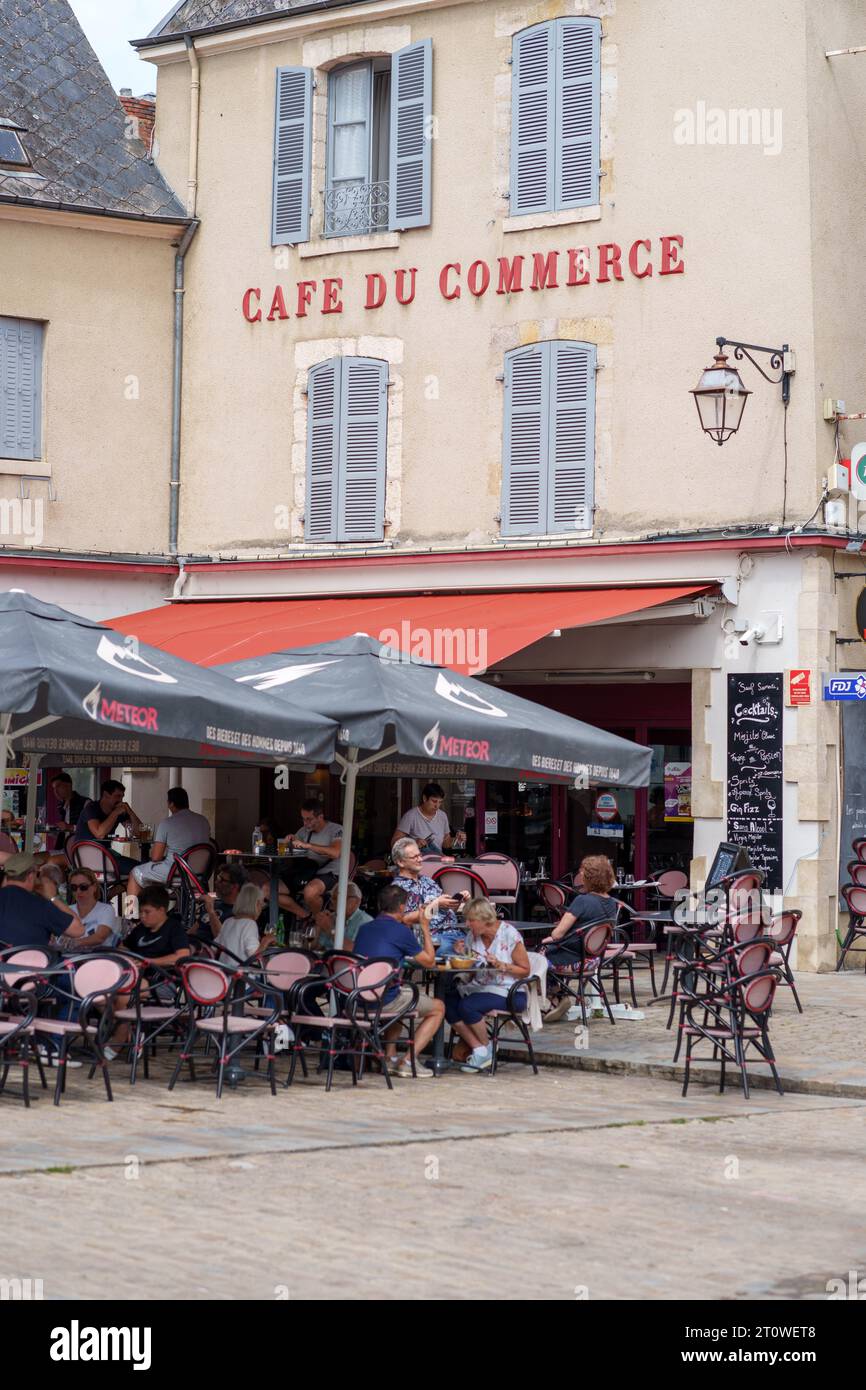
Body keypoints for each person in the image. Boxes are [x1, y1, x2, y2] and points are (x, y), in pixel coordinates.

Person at [354, 883, 444, 1079]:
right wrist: (425, 927)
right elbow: (429, 961)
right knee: (438, 1007)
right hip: (384, 1000)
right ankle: (408, 1061)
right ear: (403, 907)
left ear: (379, 904)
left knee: (402, 994)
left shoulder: (364, 928)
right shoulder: (401, 931)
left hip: (358, 999)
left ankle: (390, 1057)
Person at [107, 884, 192, 1059]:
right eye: (141, 912)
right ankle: (132, 1032)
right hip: (135, 977)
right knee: (103, 996)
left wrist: (149, 962)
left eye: (147, 912)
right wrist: (127, 957)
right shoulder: (141, 930)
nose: (142, 917)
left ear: (162, 910)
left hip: (163, 980)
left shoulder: (173, 929)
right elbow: (123, 946)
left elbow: (182, 956)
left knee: (124, 995)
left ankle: (119, 1040)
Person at [448, 898, 529, 1073]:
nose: (467, 924)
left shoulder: (509, 934)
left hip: (511, 992)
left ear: (485, 919)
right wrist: (462, 955)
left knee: (468, 1006)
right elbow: (473, 971)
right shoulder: (472, 937)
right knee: (446, 1001)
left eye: (471, 920)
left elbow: (525, 971)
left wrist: (502, 965)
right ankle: (481, 1048)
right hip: (481, 987)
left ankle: (484, 1050)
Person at [126, 787, 211, 899]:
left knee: (135, 873)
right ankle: (173, 910)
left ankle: (131, 914)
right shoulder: (203, 820)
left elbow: (156, 857)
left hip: (175, 871)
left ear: (170, 804)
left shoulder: (167, 823)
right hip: (199, 872)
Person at [390, 836, 467, 958]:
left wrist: (457, 902)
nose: (420, 859)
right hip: (430, 937)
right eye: (414, 857)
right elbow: (405, 919)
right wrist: (436, 904)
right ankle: (457, 976)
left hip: (455, 931)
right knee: (453, 954)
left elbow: (447, 910)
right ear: (400, 862)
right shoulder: (397, 888)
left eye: (420, 855)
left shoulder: (427, 880)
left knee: (480, 947)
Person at [542, 855, 618, 961]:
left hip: (571, 958)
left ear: (588, 878)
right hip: (594, 959)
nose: (580, 875)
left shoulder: (582, 900)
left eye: (582, 873)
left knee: (534, 958)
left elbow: (557, 934)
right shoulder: (612, 902)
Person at [0, 852, 83, 947]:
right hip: (31, 960)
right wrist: (52, 897)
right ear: (31, 876)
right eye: (37, 873)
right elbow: (78, 930)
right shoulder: (40, 905)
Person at [282, 800, 343, 918]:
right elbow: (290, 851)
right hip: (306, 872)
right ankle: (306, 916)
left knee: (310, 891)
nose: (305, 823)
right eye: (303, 819)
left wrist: (308, 846)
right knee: (267, 889)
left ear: (320, 817)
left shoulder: (336, 830)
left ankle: (317, 922)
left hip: (329, 874)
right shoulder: (304, 830)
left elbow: (335, 852)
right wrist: (287, 843)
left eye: (309, 819)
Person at [72, 780, 143, 876]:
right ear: (105, 794)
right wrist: (115, 813)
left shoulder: (117, 811)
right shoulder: (91, 808)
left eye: (122, 797)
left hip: (106, 857)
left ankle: (110, 892)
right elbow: (99, 834)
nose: (121, 800)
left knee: (142, 869)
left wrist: (130, 812)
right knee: (140, 871)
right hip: (88, 860)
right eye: (117, 796)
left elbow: (140, 833)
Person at [391, 783, 466, 854]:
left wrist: (456, 840)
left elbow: (445, 843)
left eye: (440, 802)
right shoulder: (411, 816)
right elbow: (394, 843)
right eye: (434, 801)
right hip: (417, 861)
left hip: (437, 860)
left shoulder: (442, 816)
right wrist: (413, 843)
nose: (437, 806)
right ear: (424, 798)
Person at [214, 882, 274, 965]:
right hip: (241, 974)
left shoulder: (228, 921)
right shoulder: (250, 924)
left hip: (225, 971)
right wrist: (265, 941)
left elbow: (214, 947)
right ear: (256, 904)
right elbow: (254, 958)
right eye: (261, 904)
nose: (261, 909)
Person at [62, 867, 120, 949]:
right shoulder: (67, 910)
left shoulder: (106, 909)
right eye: (74, 887)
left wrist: (74, 943)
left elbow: (100, 937)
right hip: (72, 957)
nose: (78, 891)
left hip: (100, 957)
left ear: (94, 887)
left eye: (83, 887)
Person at [312, 881, 371, 952]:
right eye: (331, 898)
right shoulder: (331, 917)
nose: (332, 902)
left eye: (336, 898)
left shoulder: (365, 922)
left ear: (355, 901)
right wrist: (319, 925)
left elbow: (354, 950)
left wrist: (330, 929)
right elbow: (314, 947)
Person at [50, 772, 87, 853]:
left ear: (68, 785)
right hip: (63, 848)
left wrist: (70, 827)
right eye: (54, 788)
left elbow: (91, 830)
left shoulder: (85, 803)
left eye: (58, 786)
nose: (55, 791)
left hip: (78, 850)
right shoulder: (61, 806)